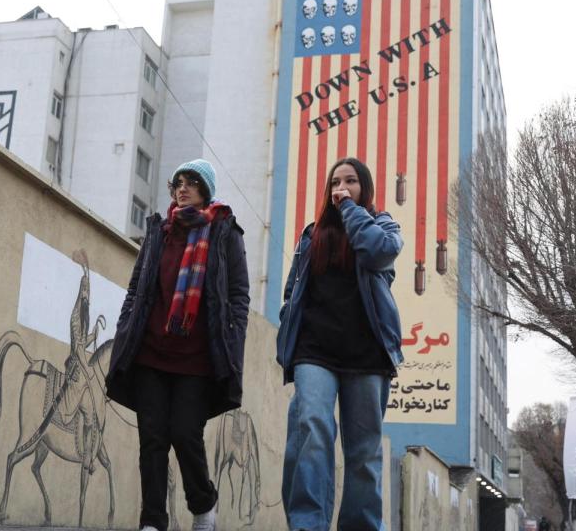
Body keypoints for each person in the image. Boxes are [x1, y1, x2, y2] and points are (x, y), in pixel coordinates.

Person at [106, 158, 250, 531]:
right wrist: (125, 326)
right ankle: (152, 521)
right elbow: (137, 287)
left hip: (199, 358)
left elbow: (238, 296)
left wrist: (234, 340)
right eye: (178, 183)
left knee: (185, 433)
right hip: (151, 351)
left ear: (206, 190)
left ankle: (203, 504)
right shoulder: (160, 231)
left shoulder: (224, 232)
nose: (182, 188)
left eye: (191, 182)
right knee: (152, 438)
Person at [277, 157, 404, 531]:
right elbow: (293, 291)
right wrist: (288, 328)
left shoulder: (382, 226)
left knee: (364, 453)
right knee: (312, 431)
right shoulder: (311, 235)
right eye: (336, 182)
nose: (342, 187)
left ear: (364, 188)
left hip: (366, 353)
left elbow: (378, 251)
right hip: (314, 350)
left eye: (351, 181)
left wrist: (350, 209)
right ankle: (307, 524)